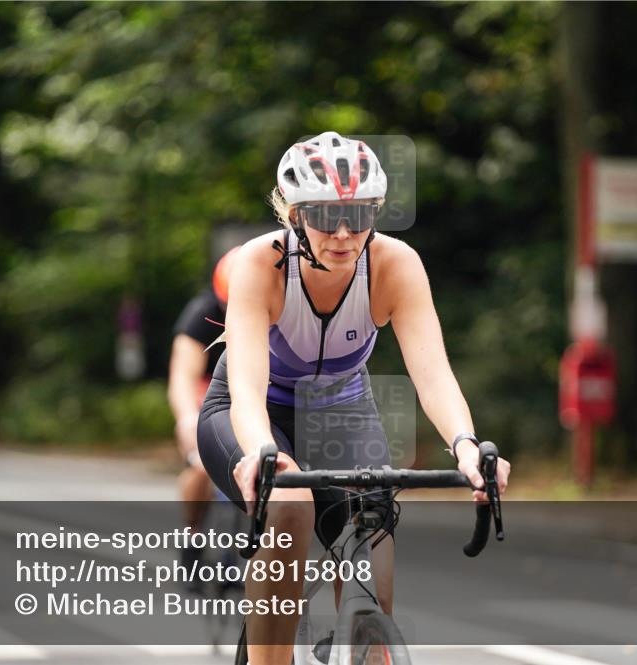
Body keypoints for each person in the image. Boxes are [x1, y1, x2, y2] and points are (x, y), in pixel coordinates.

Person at [196, 132, 512, 664]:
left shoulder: (395, 264)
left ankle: (362, 644)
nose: (343, 233)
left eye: (360, 214)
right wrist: (259, 454)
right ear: (294, 214)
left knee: (374, 518)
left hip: (341, 408)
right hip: (250, 409)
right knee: (290, 505)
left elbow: (432, 372)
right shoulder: (260, 264)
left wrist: (465, 446)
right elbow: (248, 384)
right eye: (323, 215)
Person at [168, 247, 238, 564]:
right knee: (200, 464)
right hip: (208, 388)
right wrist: (186, 419)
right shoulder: (202, 312)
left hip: (256, 386)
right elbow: (183, 376)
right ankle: (193, 534)